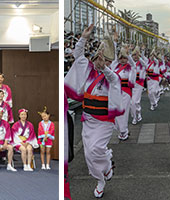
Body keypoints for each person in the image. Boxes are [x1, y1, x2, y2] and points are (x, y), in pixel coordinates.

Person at [65, 25, 126, 198]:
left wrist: (105, 68)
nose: (102, 63)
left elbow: (113, 78)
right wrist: (83, 38)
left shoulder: (113, 77)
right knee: (89, 154)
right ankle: (101, 178)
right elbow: (78, 56)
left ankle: (106, 165)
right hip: (89, 119)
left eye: (106, 61)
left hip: (104, 122)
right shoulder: (87, 70)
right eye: (100, 59)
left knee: (97, 149)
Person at [112, 46, 136, 140]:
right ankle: (122, 130)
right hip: (116, 92)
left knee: (123, 112)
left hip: (126, 92)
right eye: (121, 58)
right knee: (116, 111)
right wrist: (113, 43)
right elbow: (113, 58)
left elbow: (134, 64)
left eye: (124, 58)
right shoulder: (115, 66)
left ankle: (123, 131)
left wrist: (128, 54)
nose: (122, 60)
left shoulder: (130, 67)